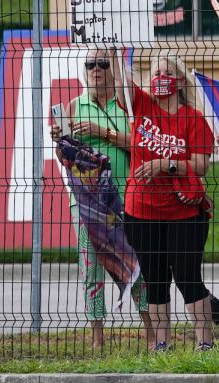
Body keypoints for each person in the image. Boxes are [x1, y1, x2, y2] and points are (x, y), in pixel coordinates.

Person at [51, 47, 152, 349]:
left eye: (103, 64)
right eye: (90, 64)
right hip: (86, 205)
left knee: (134, 267)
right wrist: (60, 143)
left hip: (126, 199)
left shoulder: (127, 106)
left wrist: (102, 132)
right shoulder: (73, 106)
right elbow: (64, 159)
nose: (96, 69)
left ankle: (151, 334)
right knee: (91, 271)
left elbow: (141, 146)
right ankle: (98, 340)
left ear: (114, 70)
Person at [121, 52, 215, 351]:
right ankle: (162, 344)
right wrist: (112, 45)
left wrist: (166, 163)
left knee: (188, 278)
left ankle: (205, 344)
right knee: (155, 279)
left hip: (183, 212)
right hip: (141, 211)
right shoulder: (141, 106)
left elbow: (201, 165)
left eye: (167, 72)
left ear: (179, 80)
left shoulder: (193, 118)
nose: (161, 77)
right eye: (156, 72)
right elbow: (120, 78)